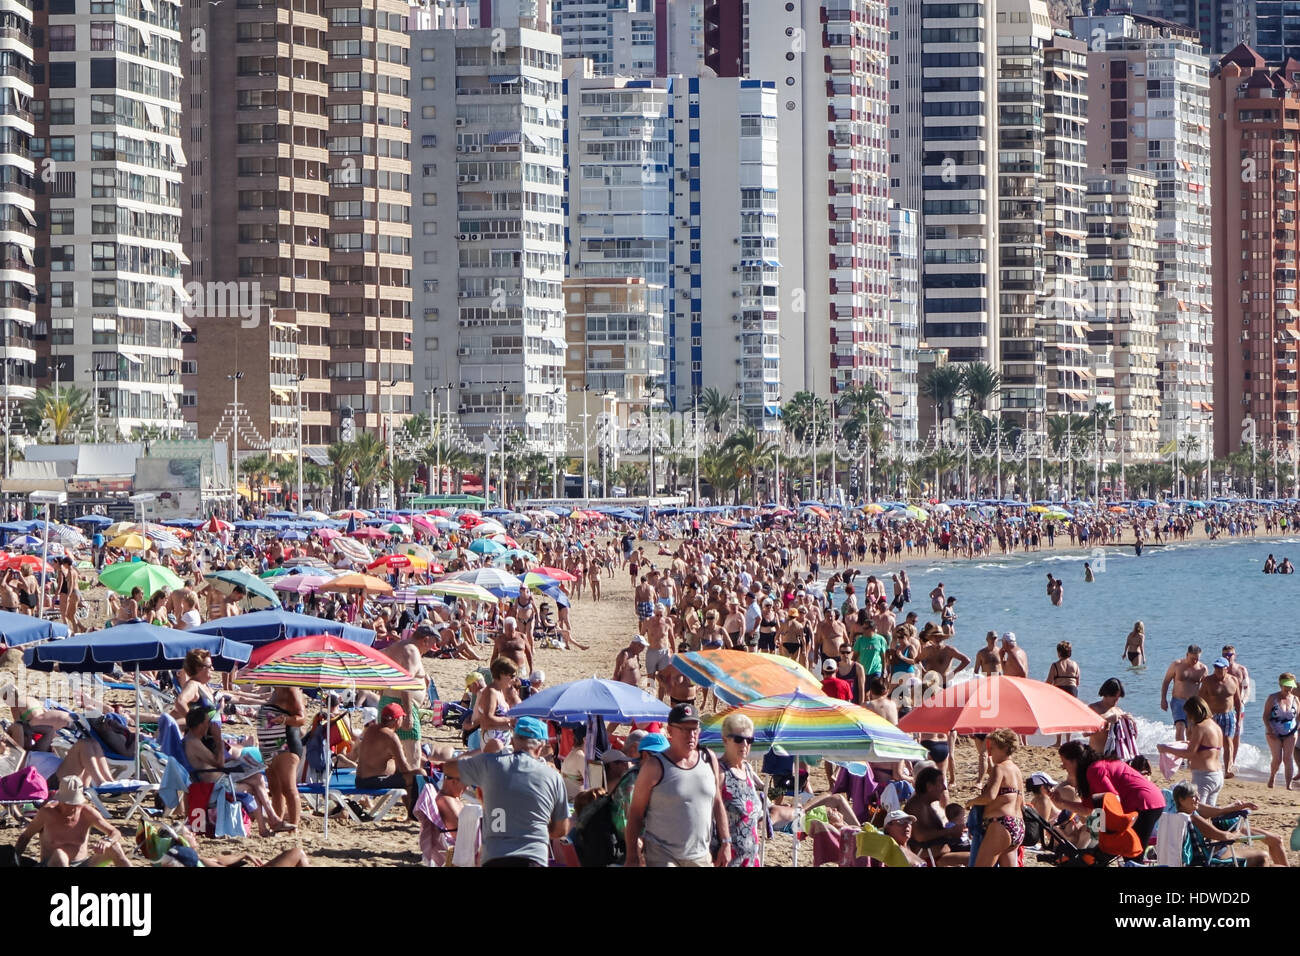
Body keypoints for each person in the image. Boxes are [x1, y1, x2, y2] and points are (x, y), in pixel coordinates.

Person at [437, 716, 569, 867]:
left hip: (495, 856)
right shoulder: (553, 776)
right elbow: (561, 829)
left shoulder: (491, 764)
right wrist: (536, 827)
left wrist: (481, 755)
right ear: (541, 747)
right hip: (533, 857)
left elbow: (449, 767)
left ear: (512, 742)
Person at [624, 703, 731, 867]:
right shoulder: (654, 766)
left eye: (695, 729)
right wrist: (632, 855)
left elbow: (717, 802)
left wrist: (725, 841)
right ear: (670, 730)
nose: (691, 735)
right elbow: (636, 813)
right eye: (684, 729)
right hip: (662, 855)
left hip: (700, 855)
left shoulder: (708, 759)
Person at [1055, 740, 1165, 854]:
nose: (1062, 766)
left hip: (1146, 802)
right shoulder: (1090, 772)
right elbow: (1088, 810)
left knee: (1133, 853)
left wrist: (1103, 830)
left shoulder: (1095, 770)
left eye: (1064, 762)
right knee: (1125, 851)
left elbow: (1113, 799)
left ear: (1075, 761)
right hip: (1145, 801)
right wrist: (1061, 802)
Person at [14, 778, 131, 867]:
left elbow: (115, 832)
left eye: (75, 803)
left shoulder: (86, 812)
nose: (72, 807)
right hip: (51, 864)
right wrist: (14, 858)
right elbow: (26, 836)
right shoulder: (47, 813)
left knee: (115, 847)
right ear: (60, 800)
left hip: (82, 863)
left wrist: (107, 841)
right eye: (68, 803)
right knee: (60, 854)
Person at [1170, 782, 1289, 867]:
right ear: (1181, 800)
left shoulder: (1175, 816)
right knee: (1262, 856)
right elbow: (1223, 836)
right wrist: (1236, 834)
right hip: (1210, 857)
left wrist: (1238, 807)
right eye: (1193, 796)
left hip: (1204, 853)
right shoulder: (1193, 817)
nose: (1197, 799)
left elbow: (1218, 812)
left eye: (1197, 795)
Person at [966, 728, 1024, 867]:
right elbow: (1021, 803)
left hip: (1001, 823)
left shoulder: (1000, 768)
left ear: (1004, 748)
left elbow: (990, 796)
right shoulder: (1016, 771)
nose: (990, 753)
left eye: (993, 748)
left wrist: (971, 802)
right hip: (1018, 825)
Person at [380, 624, 436, 766]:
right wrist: (409, 714)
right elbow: (405, 683)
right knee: (413, 755)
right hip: (401, 706)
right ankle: (411, 786)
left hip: (388, 701)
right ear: (425, 640)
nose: (432, 649)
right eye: (432, 644)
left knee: (391, 753)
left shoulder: (399, 646)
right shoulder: (412, 650)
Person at [355, 703, 427, 813]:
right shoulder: (391, 737)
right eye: (402, 717)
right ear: (397, 720)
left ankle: (411, 813)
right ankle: (419, 813)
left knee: (401, 774)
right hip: (372, 782)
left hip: (359, 780)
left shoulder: (371, 729)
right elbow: (405, 769)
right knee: (420, 774)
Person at [717, 712, 766, 867]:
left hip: (751, 859)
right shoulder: (719, 772)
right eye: (739, 739)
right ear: (725, 740)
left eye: (749, 740)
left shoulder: (747, 769)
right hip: (725, 859)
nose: (745, 745)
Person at [255, 684, 305, 828]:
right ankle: (277, 823)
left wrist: (283, 720)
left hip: (285, 745)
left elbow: (301, 718)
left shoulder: (290, 689)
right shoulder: (275, 691)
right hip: (268, 748)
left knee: (288, 788)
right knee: (275, 789)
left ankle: (293, 827)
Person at [902, 765, 969, 866]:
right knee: (976, 857)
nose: (944, 787)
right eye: (941, 783)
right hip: (930, 858)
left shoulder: (925, 804)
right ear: (929, 786)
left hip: (939, 853)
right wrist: (949, 831)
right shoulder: (916, 806)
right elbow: (921, 836)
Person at [1201, 657, 1243, 778]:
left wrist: (1239, 719)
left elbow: (1238, 702)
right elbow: (1200, 699)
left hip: (1228, 715)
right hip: (1212, 715)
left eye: (1220, 668)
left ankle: (1228, 769)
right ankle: (1210, 765)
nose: (1218, 670)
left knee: (1227, 741)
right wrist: (1200, 717)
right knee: (1211, 742)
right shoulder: (1208, 681)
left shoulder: (1233, 680)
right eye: (1216, 668)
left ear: (1226, 669)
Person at [1161, 645, 1208, 742]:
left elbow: (1206, 688)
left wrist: (1206, 705)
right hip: (1178, 701)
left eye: (1197, 659)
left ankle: (1188, 754)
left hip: (1193, 703)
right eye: (1192, 658)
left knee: (1190, 731)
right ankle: (1179, 754)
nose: (1195, 661)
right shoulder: (1176, 665)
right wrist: (1163, 699)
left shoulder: (1202, 669)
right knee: (1180, 726)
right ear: (1187, 655)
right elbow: (1166, 681)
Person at [1262, 672, 1298, 789]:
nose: (1289, 688)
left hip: (1291, 733)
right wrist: (1269, 729)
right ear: (1281, 685)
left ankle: (1289, 784)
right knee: (1277, 759)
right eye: (1286, 685)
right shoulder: (1272, 698)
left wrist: (1297, 727)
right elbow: (1265, 716)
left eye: (1291, 685)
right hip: (1273, 732)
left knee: (1288, 758)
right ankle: (1272, 776)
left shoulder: (1296, 699)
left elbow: (1299, 716)